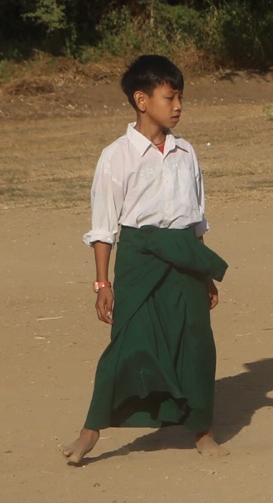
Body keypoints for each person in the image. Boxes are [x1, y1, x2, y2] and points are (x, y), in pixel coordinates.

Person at [64, 55, 228, 466]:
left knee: (196, 344)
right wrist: (103, 284)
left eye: (180, 98)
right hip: (138, 259)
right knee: (128, 344)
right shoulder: (115, 157)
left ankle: (203, 431)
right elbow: (103, 228)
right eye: (169, 97)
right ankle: (91, 429)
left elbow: (197, 217)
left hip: (185, 257)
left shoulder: (186, 152)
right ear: (142, 99)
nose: (178, 106)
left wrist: (205, 272)